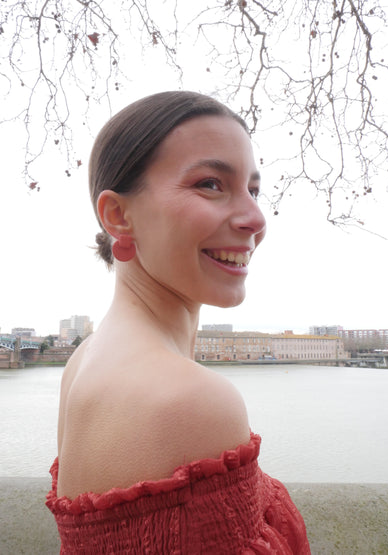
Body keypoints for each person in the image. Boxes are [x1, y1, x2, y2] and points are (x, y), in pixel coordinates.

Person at [46, 91, 310, 554]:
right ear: (118, 215)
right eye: (211, 184)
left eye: (254, 189)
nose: (255, 217)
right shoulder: (186, 398)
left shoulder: (87, 359)